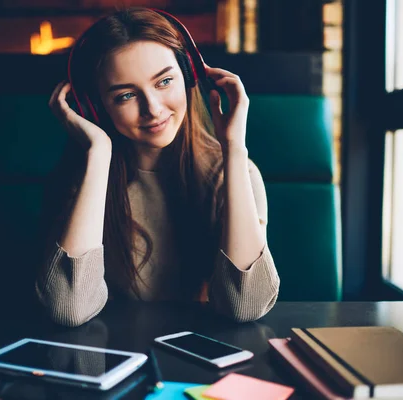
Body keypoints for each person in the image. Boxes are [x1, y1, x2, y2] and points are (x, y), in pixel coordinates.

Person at [35, 7, 280, 327]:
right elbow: (68, 308)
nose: (152, 109)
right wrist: (99, 153)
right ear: (95, 107)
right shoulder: (82, 180)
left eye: (164, 81)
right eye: (125, 96)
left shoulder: (236, 174)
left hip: (204, 360)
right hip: (111, 358)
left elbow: (246, 306)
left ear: (190, 76)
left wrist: (233, 149)